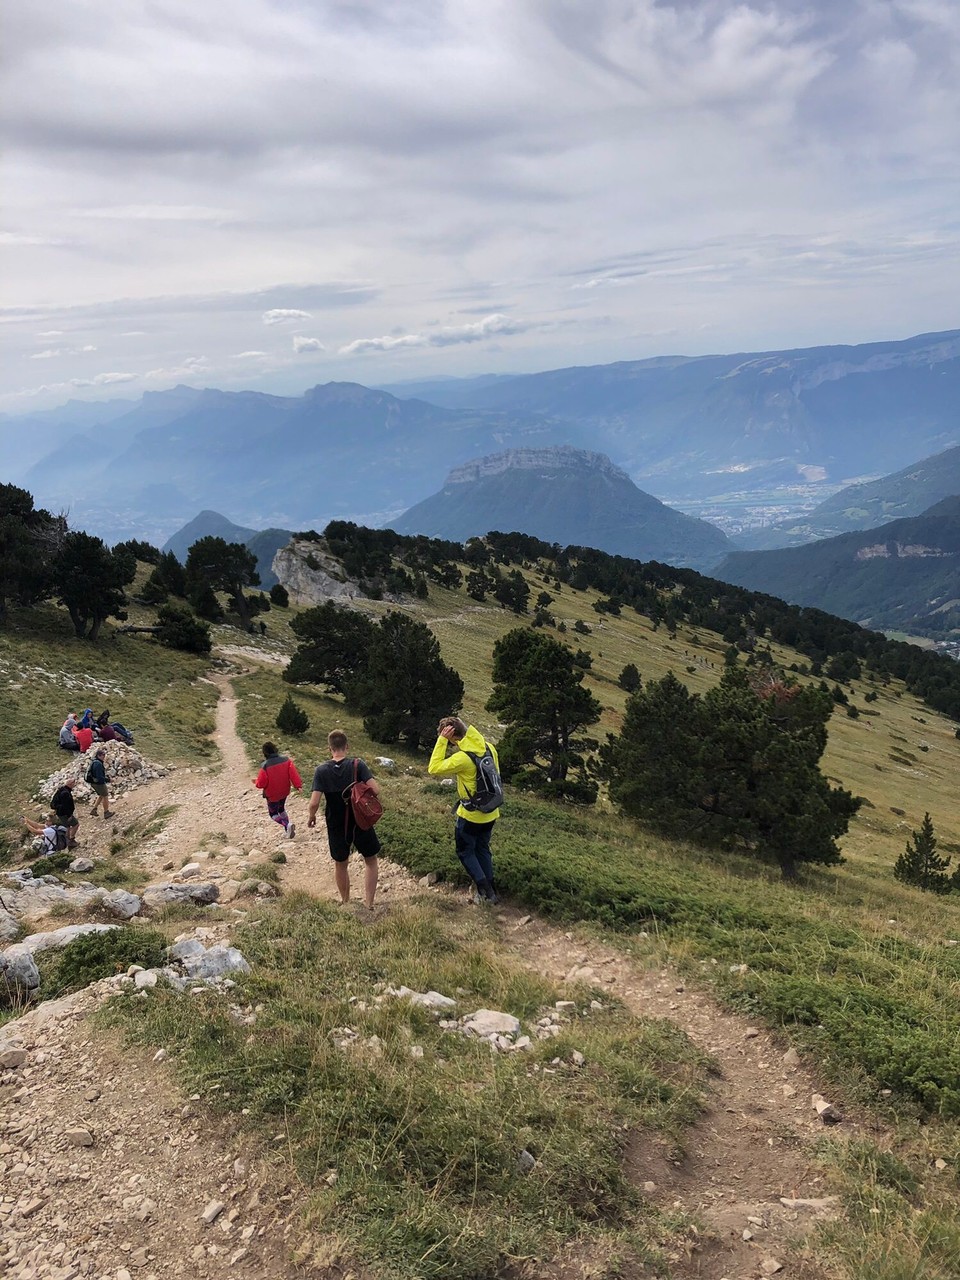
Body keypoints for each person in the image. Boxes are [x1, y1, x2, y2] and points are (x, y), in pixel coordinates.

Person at [428, 715, 500, 903]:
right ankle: (492, 889)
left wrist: (441, 740)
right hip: (491, 811)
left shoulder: (462, 758)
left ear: (452, 737)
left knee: (465, 851)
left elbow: (433, 768)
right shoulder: (489, 748)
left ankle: (484, 893)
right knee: (483, 848)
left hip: (471, 815)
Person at [308, 730, 381, 910]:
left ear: (330, 749)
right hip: (360, 820)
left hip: (336, 823)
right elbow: (376, 790)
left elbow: (314, 802)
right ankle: (369, 903)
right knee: (370, 860)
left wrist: (311, 817)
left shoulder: (321, 770)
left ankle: (346, 902)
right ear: (346, 747)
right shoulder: (358, 765)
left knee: (341, 864)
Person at [253, 741, 302, 838]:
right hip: (284, 791)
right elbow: (293, 774)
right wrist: (298, 785)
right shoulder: (286, 760)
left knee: (273, 814)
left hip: (272, 794)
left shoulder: (265, 766)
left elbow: (261, 783)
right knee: (281, 809)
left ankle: (287, 825)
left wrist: (256, 782)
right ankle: (288, 831)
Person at [49, 777, 80, 847]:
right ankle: (71, 840)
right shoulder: (65, 793)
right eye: (73, 783)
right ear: (70, 784)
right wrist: (69, 815)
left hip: (60, 813)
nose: (74, 784)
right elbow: (66, 806)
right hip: (64, 814)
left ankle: (67, 841)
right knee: (75, 824)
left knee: (67, 826)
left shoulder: (61, 790)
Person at [86, 749, 114, 819]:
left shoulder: (94, 762)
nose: (104, 757)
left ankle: (94, 810)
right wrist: (108, 780)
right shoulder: (98, 764)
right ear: (99, 755)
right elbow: (99, 777)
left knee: (101, 795)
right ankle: (106, 812)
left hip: (93, 782)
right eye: (103, 755)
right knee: (105, 796)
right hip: (98, 783)